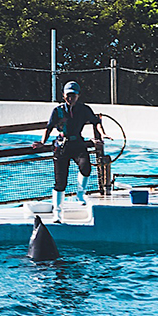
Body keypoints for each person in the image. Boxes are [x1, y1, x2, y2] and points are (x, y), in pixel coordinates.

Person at [37, 80, 106, 222]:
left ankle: (80, 194)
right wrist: (42, 142)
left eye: (73, 95)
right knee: (60, 182)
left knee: (85, 167)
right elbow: (49, 127)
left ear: (78, 96)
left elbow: (96, 122)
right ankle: (57, 213)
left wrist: (102, 134)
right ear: (63, 95)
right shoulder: (58, 110)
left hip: (78, 144)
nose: (70, 98)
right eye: (68, 95)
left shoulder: (84, 109)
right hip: (61, 146)